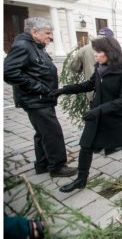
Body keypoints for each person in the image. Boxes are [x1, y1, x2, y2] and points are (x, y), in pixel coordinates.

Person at [54, 36, 122, 192]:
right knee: (86, 145)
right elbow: (89, 85)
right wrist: (65, 90)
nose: (95, 54)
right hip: (97, 115)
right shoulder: (100, 68)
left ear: (109, 52)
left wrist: (98, 110)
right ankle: (81, 179)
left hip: (117, 116)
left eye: (98, 52)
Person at [3, 18, 78, 178]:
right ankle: (57, 167)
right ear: (34, 32)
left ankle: (42, 164)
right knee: (52, 132)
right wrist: (39, 88)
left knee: (42, 132)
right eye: (48, 33)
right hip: (36, 99)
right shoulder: (23, 46)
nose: (50, 37)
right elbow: (9, 72)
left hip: (41, 99)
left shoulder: (36, 45)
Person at [67, 27, 115, 102]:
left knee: (94, 111)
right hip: (111, 92)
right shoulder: (114, 49)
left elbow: (74, 67)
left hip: (92, 91)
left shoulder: (84, 49)